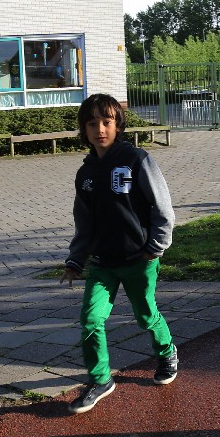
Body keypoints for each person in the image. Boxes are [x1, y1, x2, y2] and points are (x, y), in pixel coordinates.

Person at [61, 93, 178, 413]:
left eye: (107, 122)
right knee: (90, 319)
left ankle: (167, 352)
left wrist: (155, 246)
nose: (99, 129)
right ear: (83, 129)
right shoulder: (85, 174)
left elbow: (162, 207)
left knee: (145, 315)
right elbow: (84, 222)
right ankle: (100, 379)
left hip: (139, 260)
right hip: (102, 264)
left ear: (118, 125)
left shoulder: (136, 160)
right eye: (92, 123)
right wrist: (76, 260)